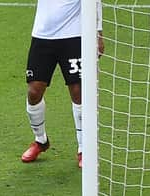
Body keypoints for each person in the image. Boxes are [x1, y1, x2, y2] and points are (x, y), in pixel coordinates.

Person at [21, 0, 105, 168]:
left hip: (74, 34)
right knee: (34, 91)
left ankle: (83, 149)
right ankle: (41, 140)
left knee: (78, 91)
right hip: (42, 35)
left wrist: (98, 33)